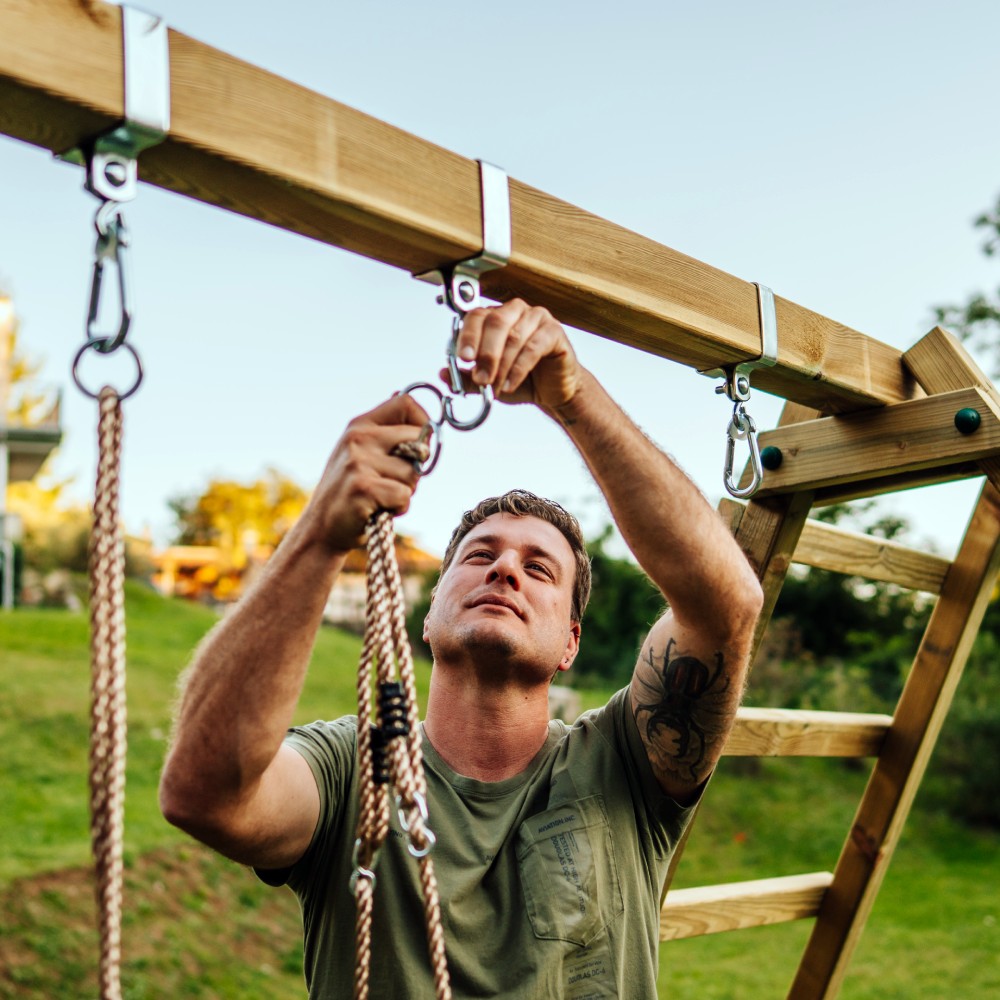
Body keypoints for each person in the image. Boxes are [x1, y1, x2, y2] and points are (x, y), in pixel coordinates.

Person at [159, 299, 764, 998]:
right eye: (479, 556)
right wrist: (322, 533)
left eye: (539, 568)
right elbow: (206, 797)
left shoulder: (622, 765)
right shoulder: (351, 771)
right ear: (427, 617)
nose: (505, 569)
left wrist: (574, 396)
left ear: (570, 643)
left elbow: (727, 606)